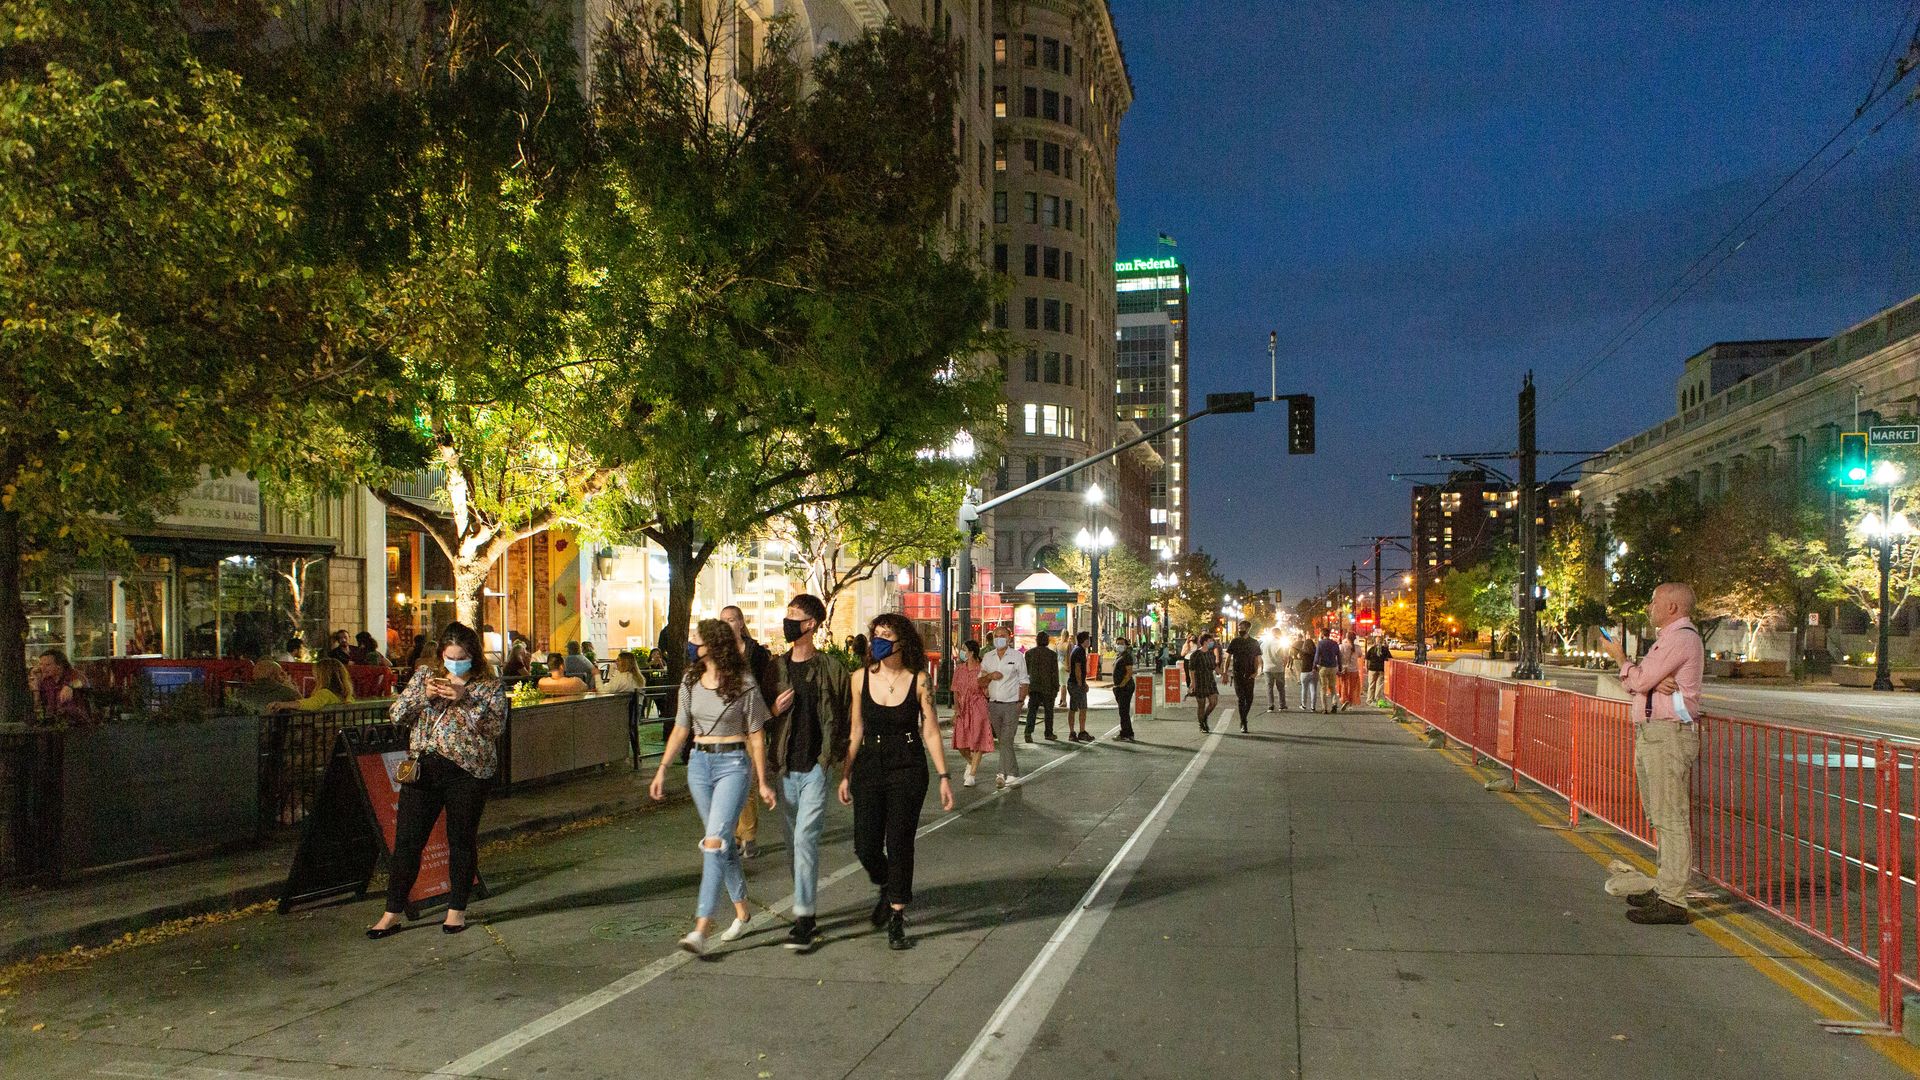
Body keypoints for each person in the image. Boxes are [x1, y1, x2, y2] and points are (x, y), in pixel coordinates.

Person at [367, 622, 507, 938]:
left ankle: (456, 909)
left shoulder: (488, 686)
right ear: (441, 654)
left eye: (462, 658)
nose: (455, 663)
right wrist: (423, 696)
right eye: (449, 657)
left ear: (474, 656)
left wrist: (465, 699)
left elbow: (495, 728)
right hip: (425, 769)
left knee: (461, 838)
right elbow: (397, 714)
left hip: (468, 772)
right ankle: (391, 912)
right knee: (407, 841)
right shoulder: (424, 678)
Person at [649, 618, 777, 955]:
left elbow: (757, 736)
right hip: (699, 765)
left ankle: (701, 927)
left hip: (733, 764)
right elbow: (680, 729)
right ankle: (742, 912)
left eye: (696, 637)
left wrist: (762, 780)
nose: (691, 642)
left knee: (713, 841)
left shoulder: (743, 683)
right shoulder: (690, 680)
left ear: (713, 644)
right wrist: (662, 769)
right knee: (721, 844)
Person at [839, 613, 954, 951]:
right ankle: (889, 884)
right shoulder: (858, 678)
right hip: (869, 765)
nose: (879, 640)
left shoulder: (920, 680)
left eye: (886, 634)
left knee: (900, 840)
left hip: (907, 763)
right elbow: (856, 729)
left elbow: (930, 730)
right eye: (875, 634)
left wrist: (944, 776)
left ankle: (897, 916)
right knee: (865, 844)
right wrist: (845, 772)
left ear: (902, 640)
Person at [1600, 582, 1706, 926]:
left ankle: (1673, 899)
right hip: (1653, 733)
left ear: (1672, 607)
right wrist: (1645, 678)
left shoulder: (1681, 637)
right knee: (1658, 813)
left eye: (1654, 600)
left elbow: (1638, 680)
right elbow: (1639, 681)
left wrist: (1624, 662)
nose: (1650, 606)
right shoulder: (1668, 638)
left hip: (1668, 734)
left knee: (1670, 817)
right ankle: (1664, 886)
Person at [765, 593, 849, 951]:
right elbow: (758, 718)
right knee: (792, 844)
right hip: (785, 767)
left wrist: (834, 761)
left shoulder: (831, 668)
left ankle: (805, 918)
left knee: (805, 839)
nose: (788, 621)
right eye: (787, 615)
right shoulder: (775, 667)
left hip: (816, 765)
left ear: (811, 624)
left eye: (794, 615)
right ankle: (805, 907)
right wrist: (772, 708)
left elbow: (844, 715)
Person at [720, 605, 779, 859]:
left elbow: (767, 685)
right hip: (724, 726)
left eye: (733, 620)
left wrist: (770, 712)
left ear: (741, 623)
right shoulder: (716, 653)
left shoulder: (755, 652)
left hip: (750, 725)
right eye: (723, 620)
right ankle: (732, 834)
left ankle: (749, 834)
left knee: (749, 781)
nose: (728, 624)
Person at [979, 629, 1029, 789]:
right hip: (994, 704)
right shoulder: (988, 657)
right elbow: (980, 681)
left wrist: (1020, 701)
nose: (999, 639)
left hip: (1011, 704)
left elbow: (1024, 680)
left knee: (1007, 739)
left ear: (1009, 638)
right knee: (1003, 741)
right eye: (996, 636)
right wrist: (989, 676)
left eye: (1002, 636)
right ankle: (1003, 772)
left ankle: (1010, 774)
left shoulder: (1017, 657)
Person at [949, 640, 995, 781]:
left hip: (978, 706)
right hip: (963, 707)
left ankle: (972, 774)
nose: (962, 652)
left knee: (977, 739)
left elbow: (987, 690)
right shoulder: (960, 669)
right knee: (962, 743)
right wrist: (956, 709)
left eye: (964, 649)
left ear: (972, 652)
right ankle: (970, 762)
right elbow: (955, 690)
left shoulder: (982, 669)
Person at [268, 657, 355, 713]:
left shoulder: (325, 693)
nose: (314, 676)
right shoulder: (347, 696)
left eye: (315, 673)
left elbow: (311, 704)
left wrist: (283, 704)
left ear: (323, 676)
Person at [29, 649, 88, 724]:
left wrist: (70, 686)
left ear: (59, 666)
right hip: (54, 723)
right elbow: (37, 704)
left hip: (77, 724)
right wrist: (35, 684)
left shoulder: (72, 674)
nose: (42, 668)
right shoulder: (46, 680)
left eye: (47, 665)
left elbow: (82, 681)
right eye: (41, 664)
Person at [1225, 624, 1262, 733]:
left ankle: (1243, 718)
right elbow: (1228, 657)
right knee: (1241, 698)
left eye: (1242, 629)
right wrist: (1225, 672)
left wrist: (1256, 672)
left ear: (1248, 629)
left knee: (1249, 699)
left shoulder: (1254, 642)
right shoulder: (1235, 641)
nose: (1240, 630)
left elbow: (1256, 658)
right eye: (1239, 628)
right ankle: (1244, 722)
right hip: (1237, 674)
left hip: (1250, 674)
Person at [232, 658, 301, 715]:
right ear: (274, 675)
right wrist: (293, 689)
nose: (284, 677)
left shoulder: (241, 692)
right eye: (281, 674)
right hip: (276, 730)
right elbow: (302, 706)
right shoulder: (287, 692)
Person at [1024, 631, 1059, 742]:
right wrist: (1056, 687)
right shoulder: (1052, 655)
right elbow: (1054, 672)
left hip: (1034, 687)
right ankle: (1048, 733)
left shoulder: (1029, 653)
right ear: (1047, 641)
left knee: (1032, 711)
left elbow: (1025, 671)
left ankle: (1028, 732)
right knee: (1049, 712)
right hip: (1048, 687)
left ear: (1037, 641)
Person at [1184, 635, 1219, 733]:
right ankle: (1202, 724)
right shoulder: (1196, 654)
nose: (1212, 642)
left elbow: (1214, 666)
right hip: (1199, 681)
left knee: (1213, 701)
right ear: (1205, 642)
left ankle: (1204, 717)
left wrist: (1224, 674)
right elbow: (1191, 669)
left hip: (1210, 680)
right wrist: (1193, 682)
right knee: (1201, 705)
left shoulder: (1211, 654)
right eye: (1210, 640)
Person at [1063, 631, 1092, 742]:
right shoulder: (1079, 651)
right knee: (1079, 708)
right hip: (1076, 684)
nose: (1089, 641)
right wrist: (1082, 684)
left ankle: (1078, 732)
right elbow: (1077, 669)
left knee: (1076, 708)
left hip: (1074, 683)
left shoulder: (1077, 649)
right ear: (1084, 641)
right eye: (1088, 639)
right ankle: (1076, 732)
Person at [1110, 638, 1137, 742]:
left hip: (1125, 687)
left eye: (1121, 644)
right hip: (1121, 687)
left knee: (1123, 711)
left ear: (1126, 645)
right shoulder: (1120, 656)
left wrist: (1121, 685)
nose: (1119, 645)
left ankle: (1126, 734)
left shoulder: (1127, 656)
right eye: (1117, 644)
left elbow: (1129, 673)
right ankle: (1127, 733)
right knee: (1123, 711)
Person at [1314, 629, 1342, 714]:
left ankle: (1325, 708)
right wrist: (1339, 667)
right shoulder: (1335, 643)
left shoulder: (1320, 643)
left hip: (1323, 667)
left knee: (1323, 688)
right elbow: (1339, 656)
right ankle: (1334, 704)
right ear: (1329, 634)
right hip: (1333, 667)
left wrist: (1314, 665)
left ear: (1322, 634)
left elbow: (1317, 655)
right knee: (1332, 687)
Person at [1263, 630, 1291, 712]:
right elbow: (1285, 657)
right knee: (1281, 688)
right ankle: (1282, 705)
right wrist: (1284, 666)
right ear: (1279, 634)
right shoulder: (1281, 643)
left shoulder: (1264, 643)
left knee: (1269, 687)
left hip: (1267, 668)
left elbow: (1260, 655)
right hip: (1278, 668)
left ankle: (1270, 705)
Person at [1295, 632, 1319, 713]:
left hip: (1304, 672)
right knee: (1313, 690)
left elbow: (1298, 657)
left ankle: (1303, 705)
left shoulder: (1302, 652)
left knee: (1304, 689)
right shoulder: (1315, 652)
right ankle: (1313, 707)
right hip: (1314, 671)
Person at [1364, 635, 1393, 703]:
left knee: (1371, 684)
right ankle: (1377, 698)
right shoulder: (1385, 650)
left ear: (1375, 642)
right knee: (1379, 685)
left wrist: (1366, 667)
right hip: (1381, 669)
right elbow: (1390, 658)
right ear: (1382, 642)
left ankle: (1370, 699)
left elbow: (1367, 659)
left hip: (1372, 669)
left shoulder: (1372, 649)